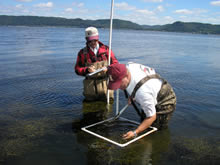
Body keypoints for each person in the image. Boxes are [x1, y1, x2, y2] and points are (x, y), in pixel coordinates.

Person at [107, 62, 176, 140]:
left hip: (165, 99)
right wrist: (132, 94)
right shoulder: (129, 65)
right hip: (150, 88)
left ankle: (157, 139)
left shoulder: (143, 93)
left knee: (154, 127)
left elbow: (151, 117)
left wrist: (135, 132)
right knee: (144, 118)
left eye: (119, 83)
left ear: (126, 76)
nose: (118, 87)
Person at [75, 27, 118, 101]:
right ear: (86, 39)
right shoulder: (82, 53)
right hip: (90, 90)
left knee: (108, 110)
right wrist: (86, 70)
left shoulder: (107, 50)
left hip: (106, 87)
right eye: (90, 41)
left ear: (98, 38)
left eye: (95, 40)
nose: (93, 42)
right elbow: (77, 69)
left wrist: (108, 69)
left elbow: (115, 64)